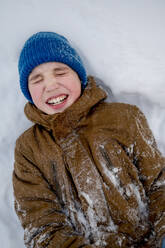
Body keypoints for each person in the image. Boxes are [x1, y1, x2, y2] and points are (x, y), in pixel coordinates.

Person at [13, 31, 165, 248]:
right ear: (27, 91)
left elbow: (158, 183)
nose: (51, 85)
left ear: (79, 75)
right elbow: (40, 224)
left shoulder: (125, 118)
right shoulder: (29, 148)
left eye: (60, 72)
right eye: (37, 79)